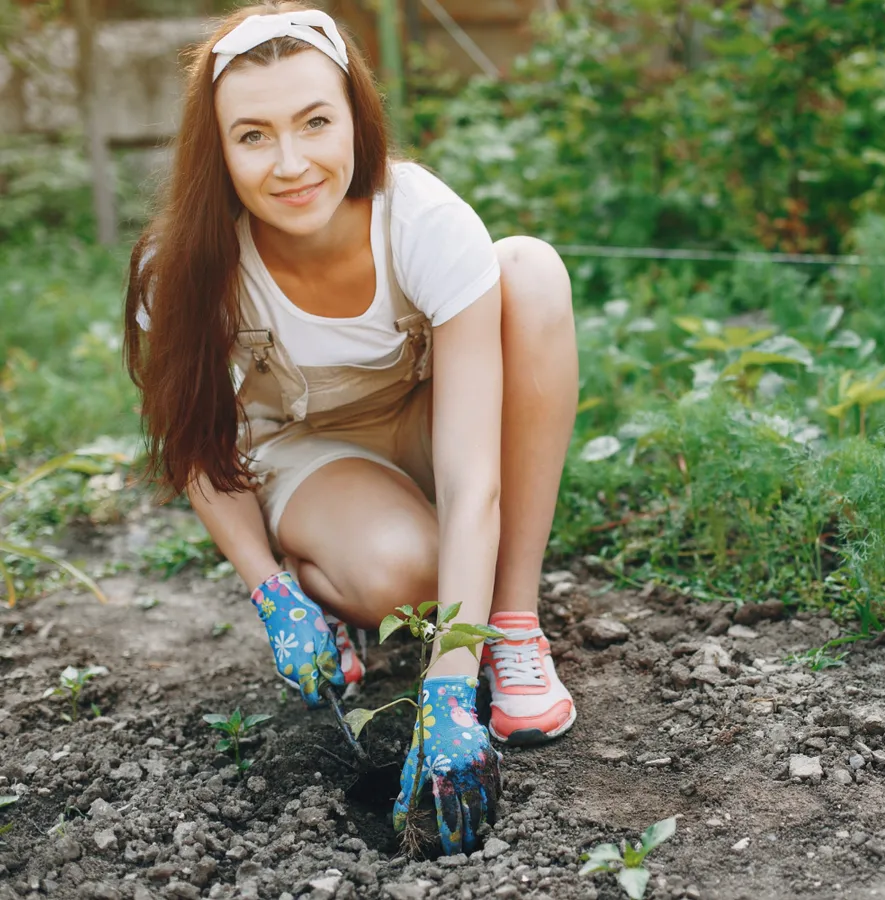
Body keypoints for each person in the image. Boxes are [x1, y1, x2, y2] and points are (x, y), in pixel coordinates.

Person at [123, 2, 578, 856]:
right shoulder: (184, 266)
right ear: (215, 150)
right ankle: (325, 569)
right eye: (253, 135)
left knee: (534, 272)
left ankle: (513, 626)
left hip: (432, 421)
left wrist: (449, 682)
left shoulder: (423, 222)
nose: (292, 163)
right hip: (309, 450)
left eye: (315, 122)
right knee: (410, 572)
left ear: (356, 121)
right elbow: (198, 448)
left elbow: (476, 471)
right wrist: (269, 590)